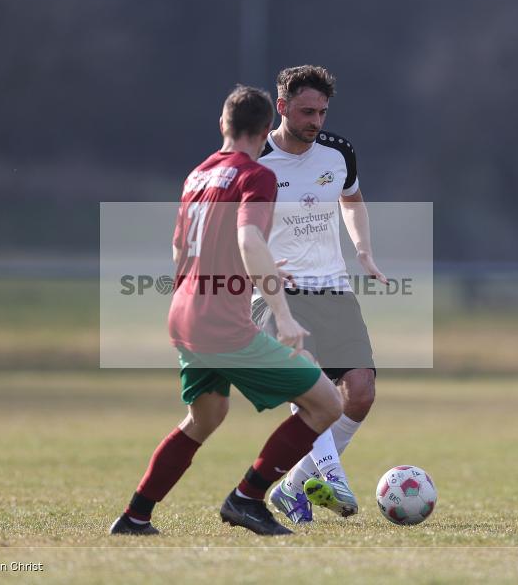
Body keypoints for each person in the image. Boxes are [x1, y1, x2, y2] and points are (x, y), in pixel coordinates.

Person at [110, 85, 342, 536]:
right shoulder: (255, 176)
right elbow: (249, 240)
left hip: (184, 312)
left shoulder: (197, 174)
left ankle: (136, 515)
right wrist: (285, 315)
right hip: (220, 324)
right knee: (326, 403)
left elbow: (181, 246)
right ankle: (246, 499)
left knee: (206, 417)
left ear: (223, 124)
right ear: (263, 131)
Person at [252, 65, 386, 524]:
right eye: (307, 111)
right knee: (310, 384)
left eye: (322, 112)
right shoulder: (254, 159)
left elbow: (353, 200)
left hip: (333, 285)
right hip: (278, 290)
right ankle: (333, 477)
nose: (316, 121)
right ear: (283, 107)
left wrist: (364, 251)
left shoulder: (338, 152)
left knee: (361, 393)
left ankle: (293, 485)